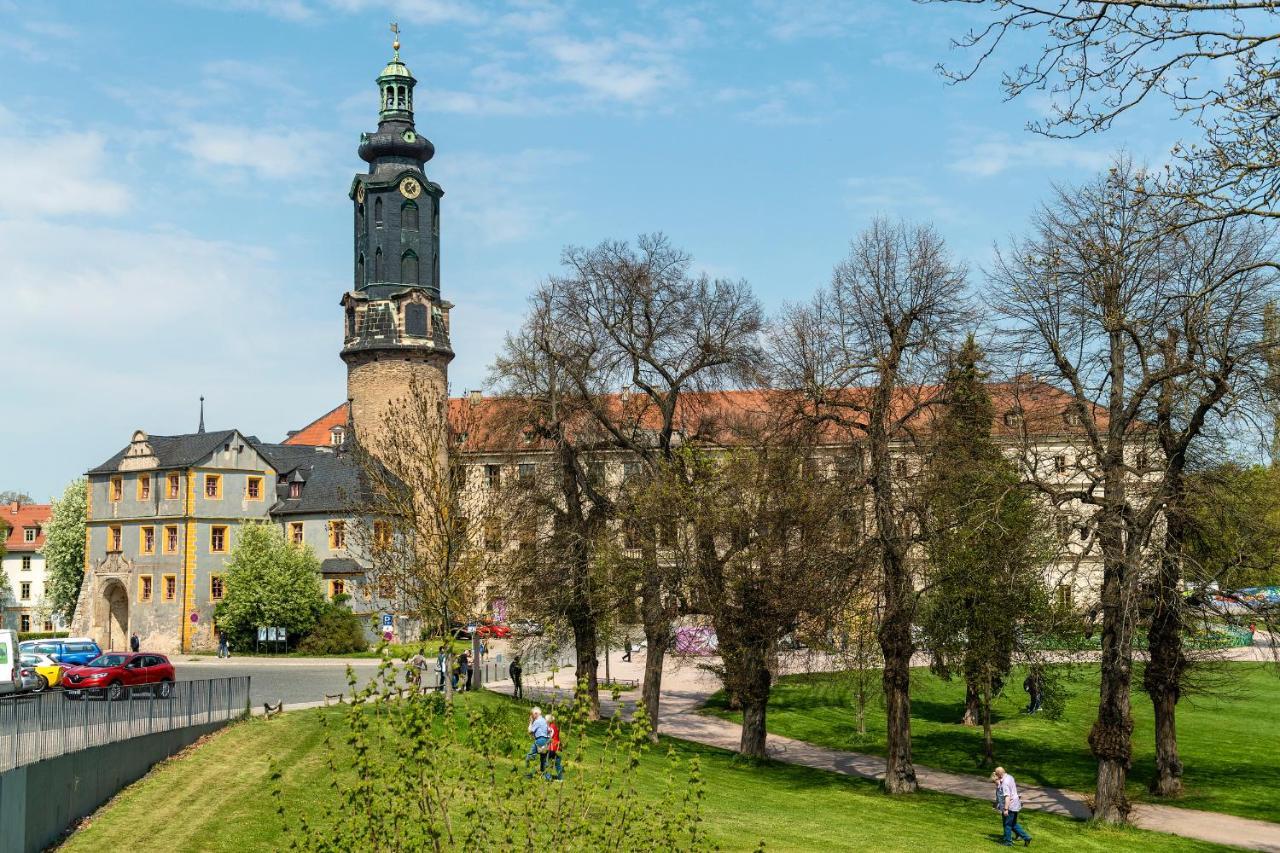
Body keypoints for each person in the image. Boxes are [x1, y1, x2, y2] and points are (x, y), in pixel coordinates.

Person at [991, 767, 1032, 847]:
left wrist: (1006, 809)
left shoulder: (1004, 783)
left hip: (1010, 806)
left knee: (1007, 824)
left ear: (999, 775)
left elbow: (1007, 796)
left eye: (996, 775)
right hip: (1015, 805)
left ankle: (1008, 842)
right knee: (1013, 824)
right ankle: (1026, 837)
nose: (996, 776)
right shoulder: (1009, 777)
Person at [525, 706, 550, 776]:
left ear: (536, 714)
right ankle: (547, 777)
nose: (532, 716)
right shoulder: (545, 720)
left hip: (540, 740)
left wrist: (530, 722)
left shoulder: (537, 721)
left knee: (530, 756)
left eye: (532, 714)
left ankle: (529, 774)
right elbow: (549, 730)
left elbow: (530, 731)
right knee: (543, 760)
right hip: (546, 740)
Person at [544, 713, 564, 781]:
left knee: (547, 763)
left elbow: (550, 737)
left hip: (552, 748)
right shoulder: (555, 726)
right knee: (557, 764)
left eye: (545, 720)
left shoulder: (550, 727)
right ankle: (560, 778)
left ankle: (548, 778)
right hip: (558, 747)